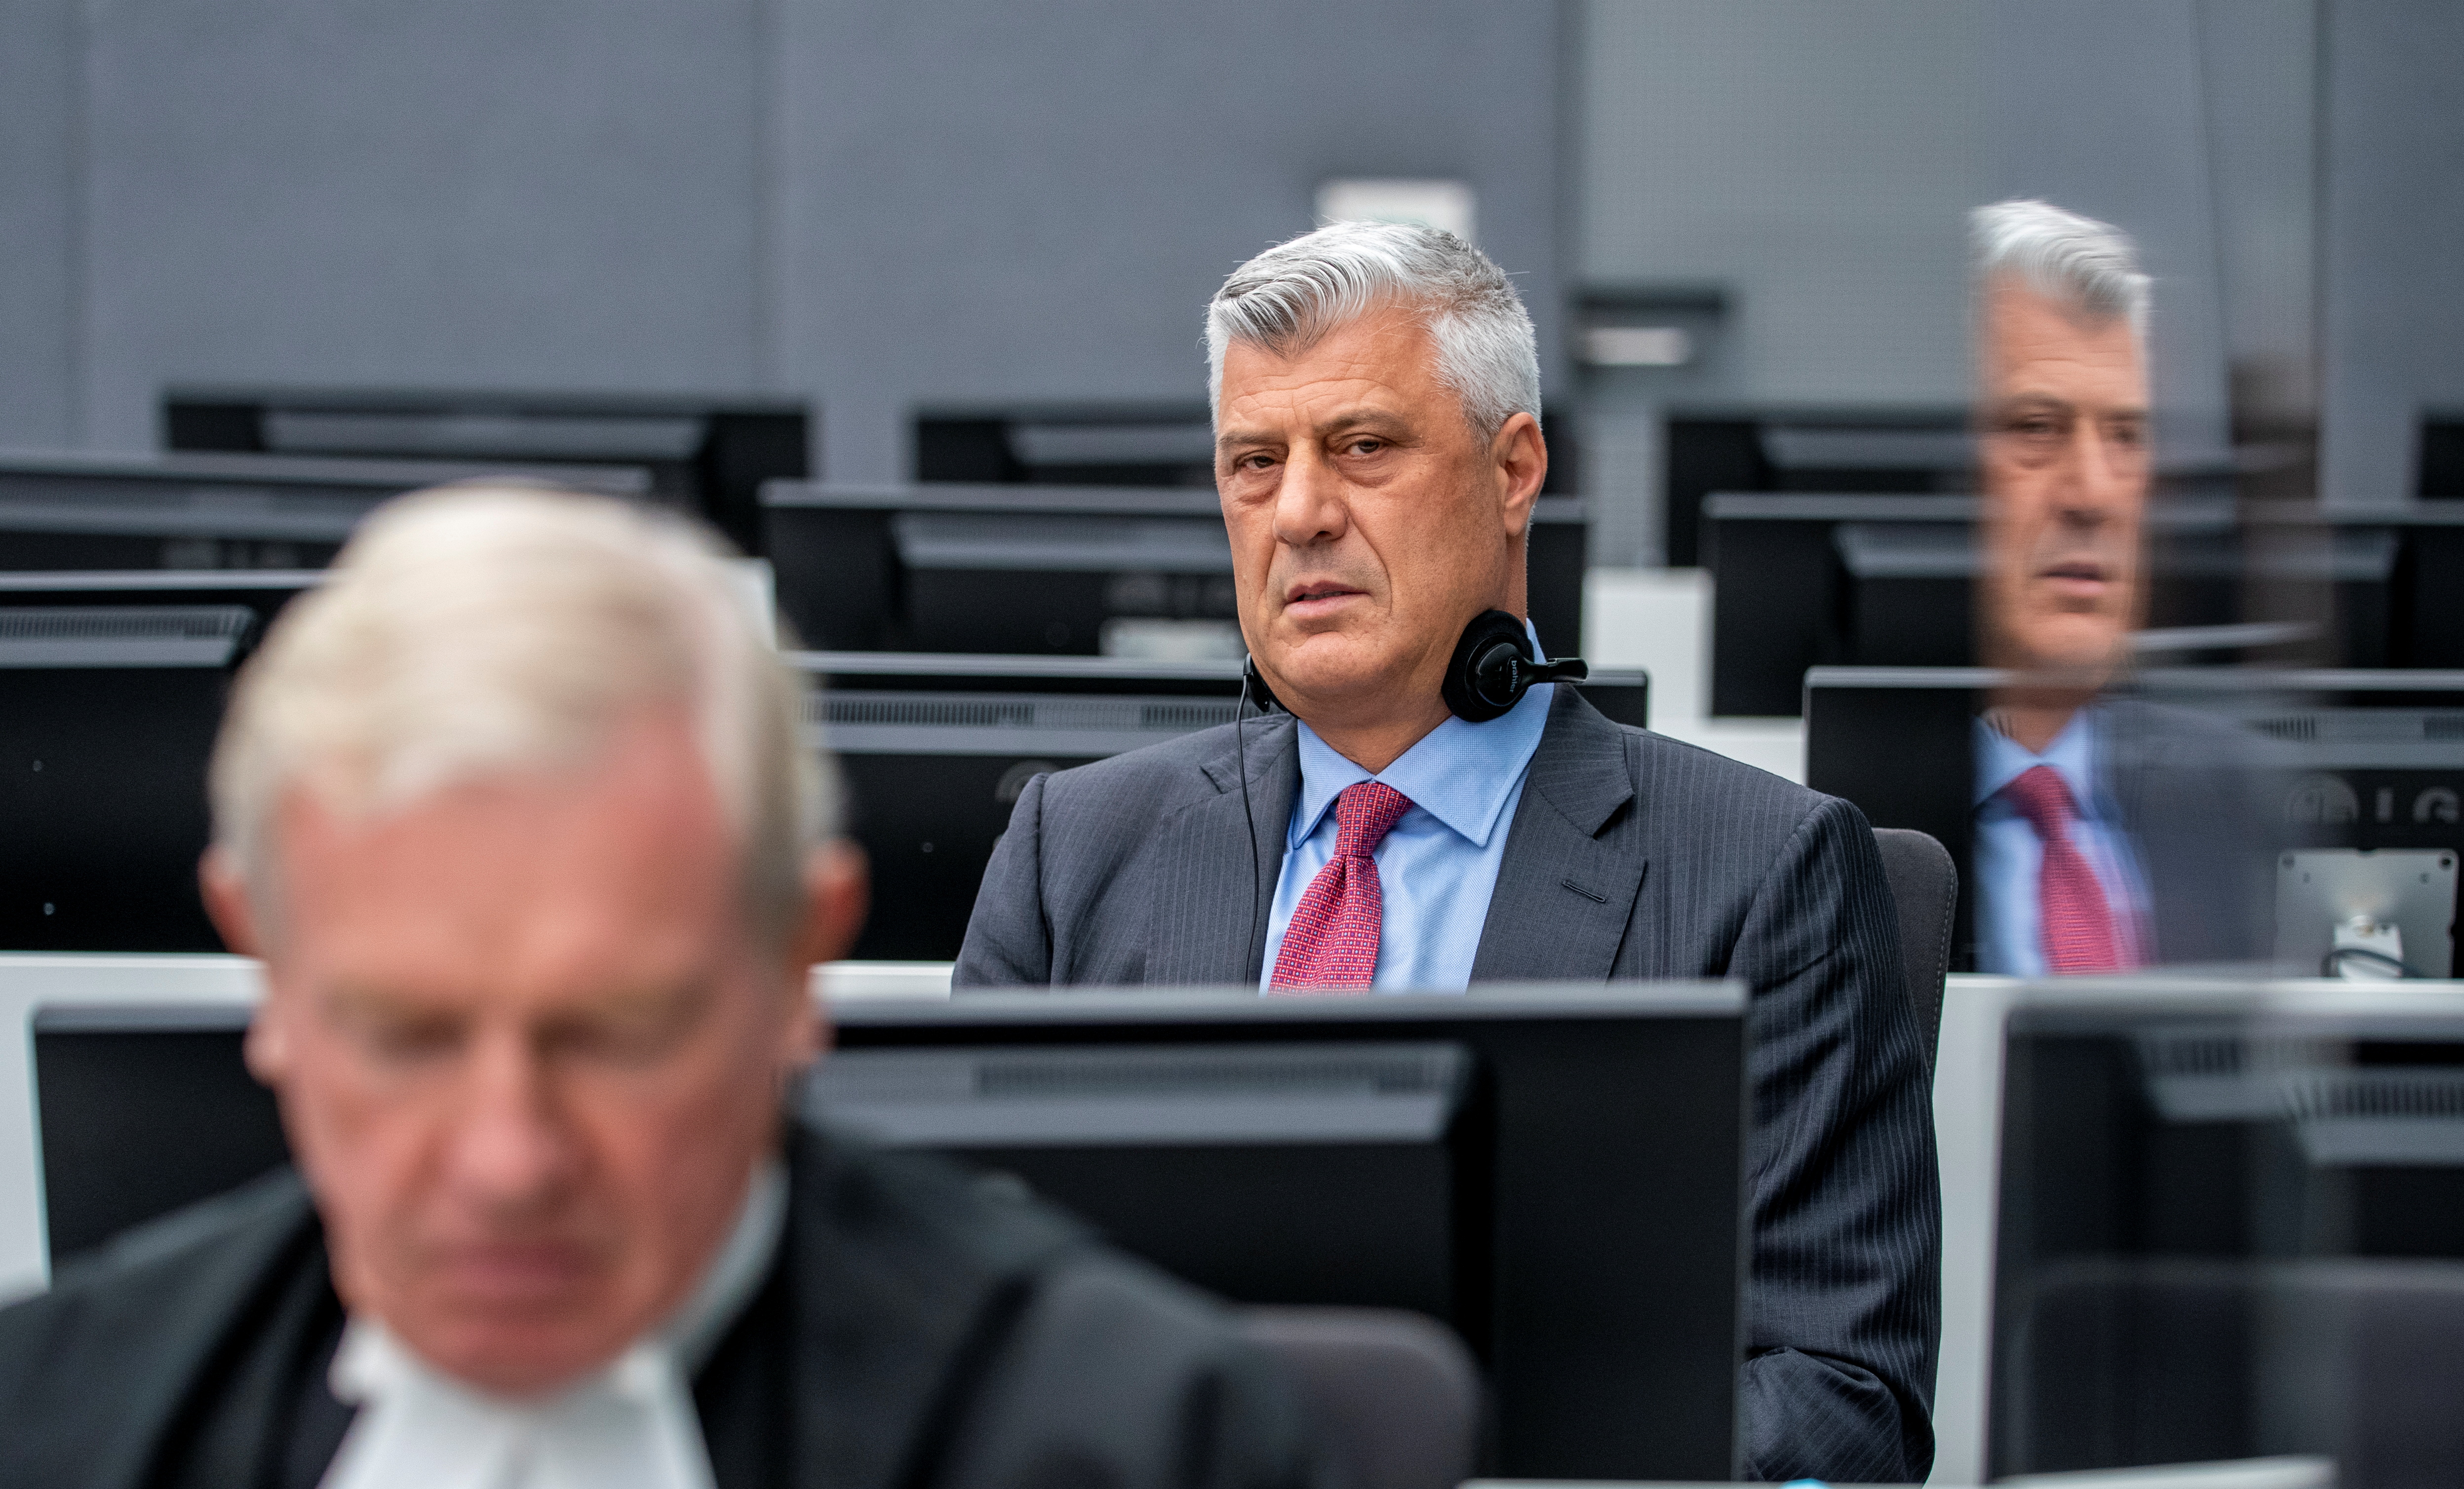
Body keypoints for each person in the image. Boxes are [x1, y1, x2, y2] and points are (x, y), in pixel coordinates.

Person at [0, 486, 1326, 1489]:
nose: (508, 1159)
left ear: (803, 962)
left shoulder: (1143, 1445)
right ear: (267, 972)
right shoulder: (52, 1414)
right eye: (404, 1036)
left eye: (619, 1035)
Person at [958, 222, 1939, 1483]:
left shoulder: (1773, 872)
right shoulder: (1071, 848)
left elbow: (1841, 1405)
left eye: (1363, 448)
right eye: (1254, 463)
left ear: (1514, 466)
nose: (1300, 513)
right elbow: (946, 1315)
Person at [1968, 199, 2282, 975]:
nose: (2095, 494)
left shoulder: (2247, 803)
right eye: (2037, 428)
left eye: (2126, 437)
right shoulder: (1809, 830)